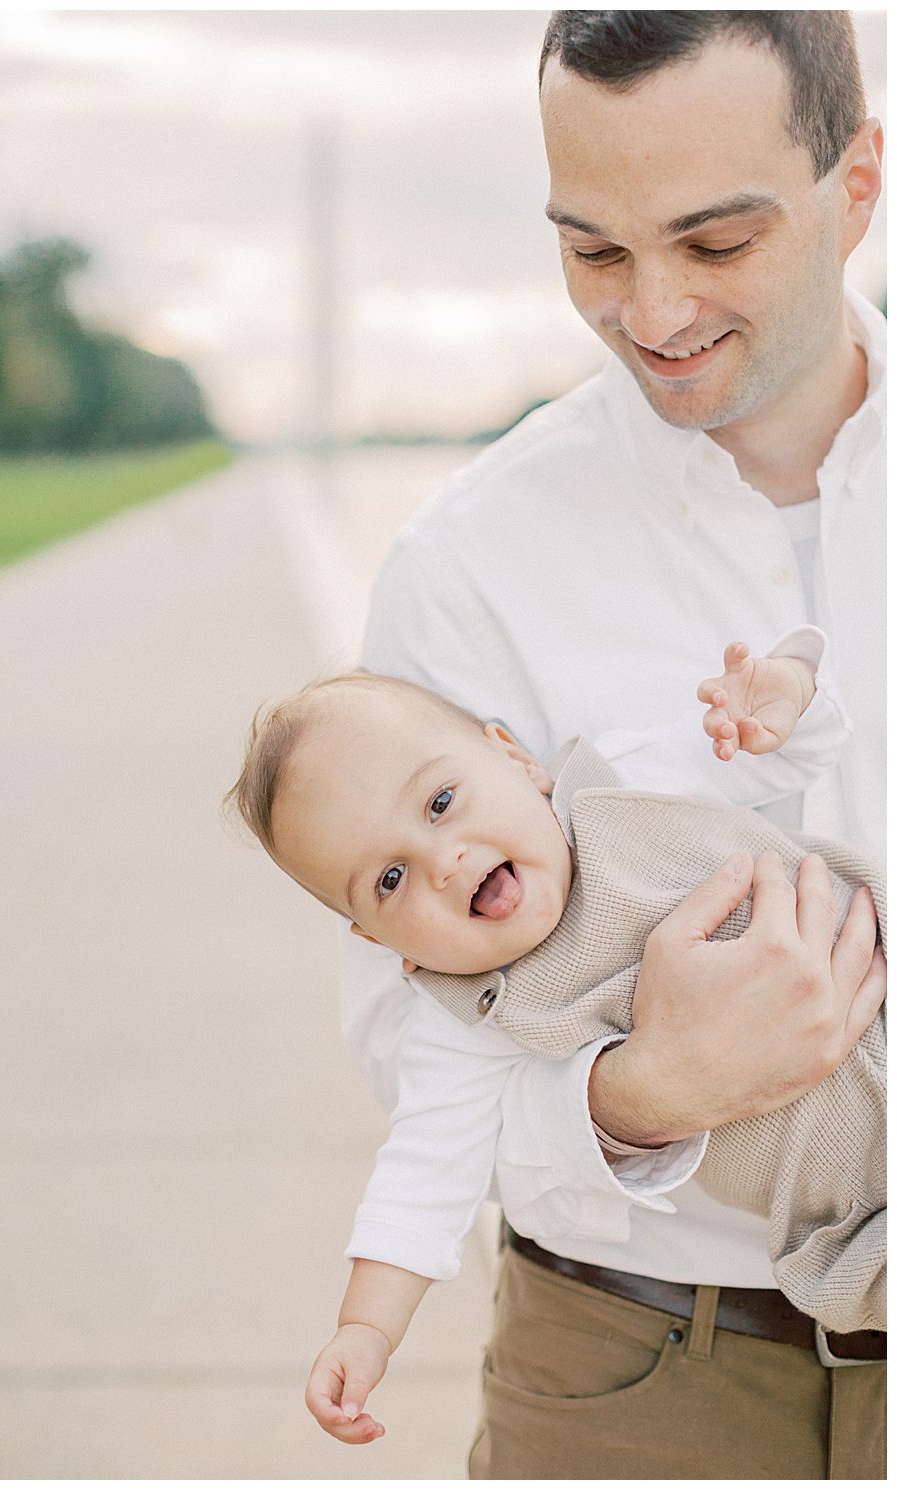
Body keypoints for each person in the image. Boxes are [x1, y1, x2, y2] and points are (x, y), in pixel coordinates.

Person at [339, 10, 885, 1481]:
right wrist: (644, 1091)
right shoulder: (466, 562)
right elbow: (407, 1036)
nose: (651, 312)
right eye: (592, 249)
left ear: (860, 185)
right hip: (638, 1370)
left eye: (715, 243)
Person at [226, 650, 884, 1447]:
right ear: (377, 939)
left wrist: (784, 700)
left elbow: (793, 753)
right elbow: (422, 1179)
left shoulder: (625, 781)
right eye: (390, 880)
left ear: (516, 759)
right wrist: (366, 1329)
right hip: (860, 1206)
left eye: (440, 802)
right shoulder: (469, 1020)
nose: (443, 861)